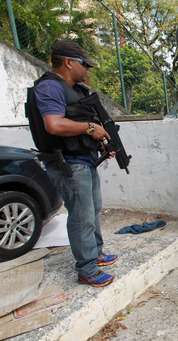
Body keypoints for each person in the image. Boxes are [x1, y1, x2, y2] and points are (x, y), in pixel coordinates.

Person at [28, 40, 117, 287]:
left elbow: (77, 129)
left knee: (93, 208)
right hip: (67, 163)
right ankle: (87, 269)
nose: (87, 69)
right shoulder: (49, 87)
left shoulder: (74, 90)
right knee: (81, 216)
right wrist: (90, 128)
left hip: (83, 160)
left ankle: (95, 254)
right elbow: (54, 124)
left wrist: (99, 144)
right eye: (84, 64)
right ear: (68, 62)